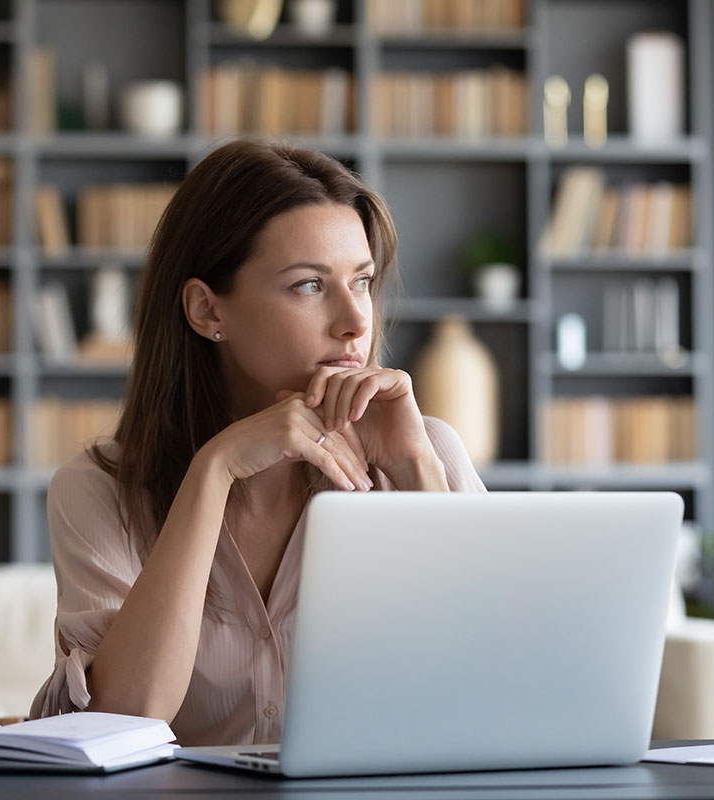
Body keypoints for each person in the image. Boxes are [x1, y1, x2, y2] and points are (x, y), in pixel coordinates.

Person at [29, 139, 486, 746]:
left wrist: (413, 469)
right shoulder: (98, 490)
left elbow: (488, 685)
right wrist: (212, 471)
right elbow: (125, 717)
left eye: (363, 281)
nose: (354, 320)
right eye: (308, 286)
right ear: (206, 310)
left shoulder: (424, 450)